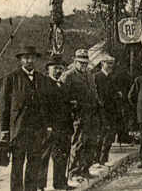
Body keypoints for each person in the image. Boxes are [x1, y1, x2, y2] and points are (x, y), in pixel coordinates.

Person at [0, 45, 52, 191]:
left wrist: (47, 126)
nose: (29, 60)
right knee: (17, 163)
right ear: (21, 60)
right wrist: (4, 130)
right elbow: (4, 107)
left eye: (31, 58)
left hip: (37, 129)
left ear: (35, 59)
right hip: (18, 129)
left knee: (34, 162)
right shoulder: (11, 78)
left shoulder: (41, 79)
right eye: (26, 58)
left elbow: (46, 105)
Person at [60, 48, 100, 183]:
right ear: (75, 62)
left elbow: (94, 92)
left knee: (91, 142)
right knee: (78, 143)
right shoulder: (68, 76)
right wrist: (73, 106)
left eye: (85, 63)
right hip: (78, 115)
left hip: (91, 113)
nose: (83, 65)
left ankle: (85, 169)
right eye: (80, 63)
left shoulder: (89, 74)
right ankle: (74, 172)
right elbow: (62, 97)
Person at [38, 57, 75, 191]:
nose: (58, 71)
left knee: (62, 156)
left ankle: (60, 183)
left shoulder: (63, 85)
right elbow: (42, 107)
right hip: (50, 128)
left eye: (60, 68)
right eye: (55, 68)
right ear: (48, 70)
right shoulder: (43, 85)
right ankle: (40, 186)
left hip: (64, 127)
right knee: (44, 157)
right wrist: (47, 125)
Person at [93, 54, 122, 168]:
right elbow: (97, 94)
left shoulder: (112, 77)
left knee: (109, 135)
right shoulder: (96, 77)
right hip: (101, 111)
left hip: (112, 110)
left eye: (111, 64)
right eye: (107, 63)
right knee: (101, 135)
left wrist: (117, 95)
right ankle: (96, 159)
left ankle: (104, 159)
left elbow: (114, 93)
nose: (110, 66)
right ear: (102, 64)